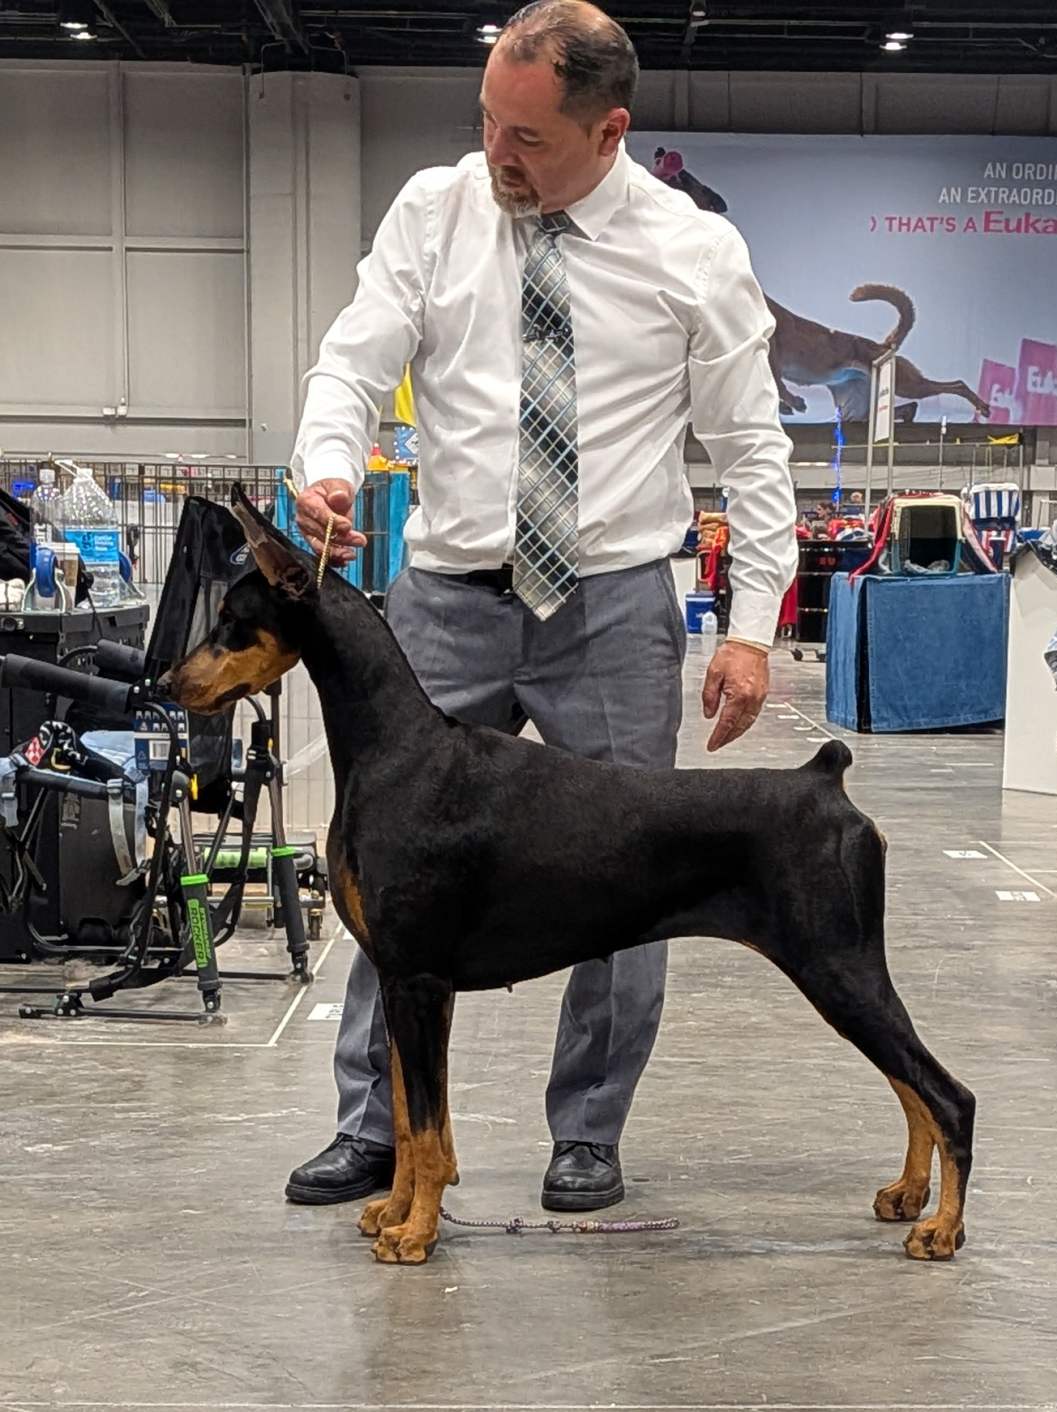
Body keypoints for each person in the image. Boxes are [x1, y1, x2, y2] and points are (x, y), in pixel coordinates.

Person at [285, 0, 797, 1213]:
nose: (496, 154)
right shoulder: (434, 210)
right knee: (390, 874)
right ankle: (376, 1124)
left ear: (609, 130)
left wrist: (751, 624)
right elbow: (353, 360)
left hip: (611, 608)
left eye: (527, 137)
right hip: (445, 601)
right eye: (486, 122)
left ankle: (588, 1131)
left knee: (630, 881)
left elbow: (749, 442)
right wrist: (328, 463)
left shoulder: (693, 251)